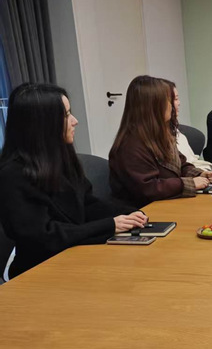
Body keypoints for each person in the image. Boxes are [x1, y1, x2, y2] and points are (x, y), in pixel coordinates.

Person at [0, 83, 146, 278]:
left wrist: (129, 214)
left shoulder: (60, 158)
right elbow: (44, 237)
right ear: (43, 124)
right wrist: (110, 225)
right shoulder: (12, 175)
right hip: (38, 271)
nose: (75, 121)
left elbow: (87, 203)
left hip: (73, 255)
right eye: (66, 115)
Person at [109, 76, 212, 209]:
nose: (173, 106)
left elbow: (180, 163)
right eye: (168, 101)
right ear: (152, 106)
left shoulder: (159, 135)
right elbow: (149, 188)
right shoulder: (130, 146)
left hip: (168, 203)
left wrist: (198, 174)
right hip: (146, 212)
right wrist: (189, 184)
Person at [163, 79, 212, 173]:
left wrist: (199, 174)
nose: (179, 103)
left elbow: (184, 164)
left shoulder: (172, 129)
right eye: (175, 99)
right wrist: (193, 179)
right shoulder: (148, 140)